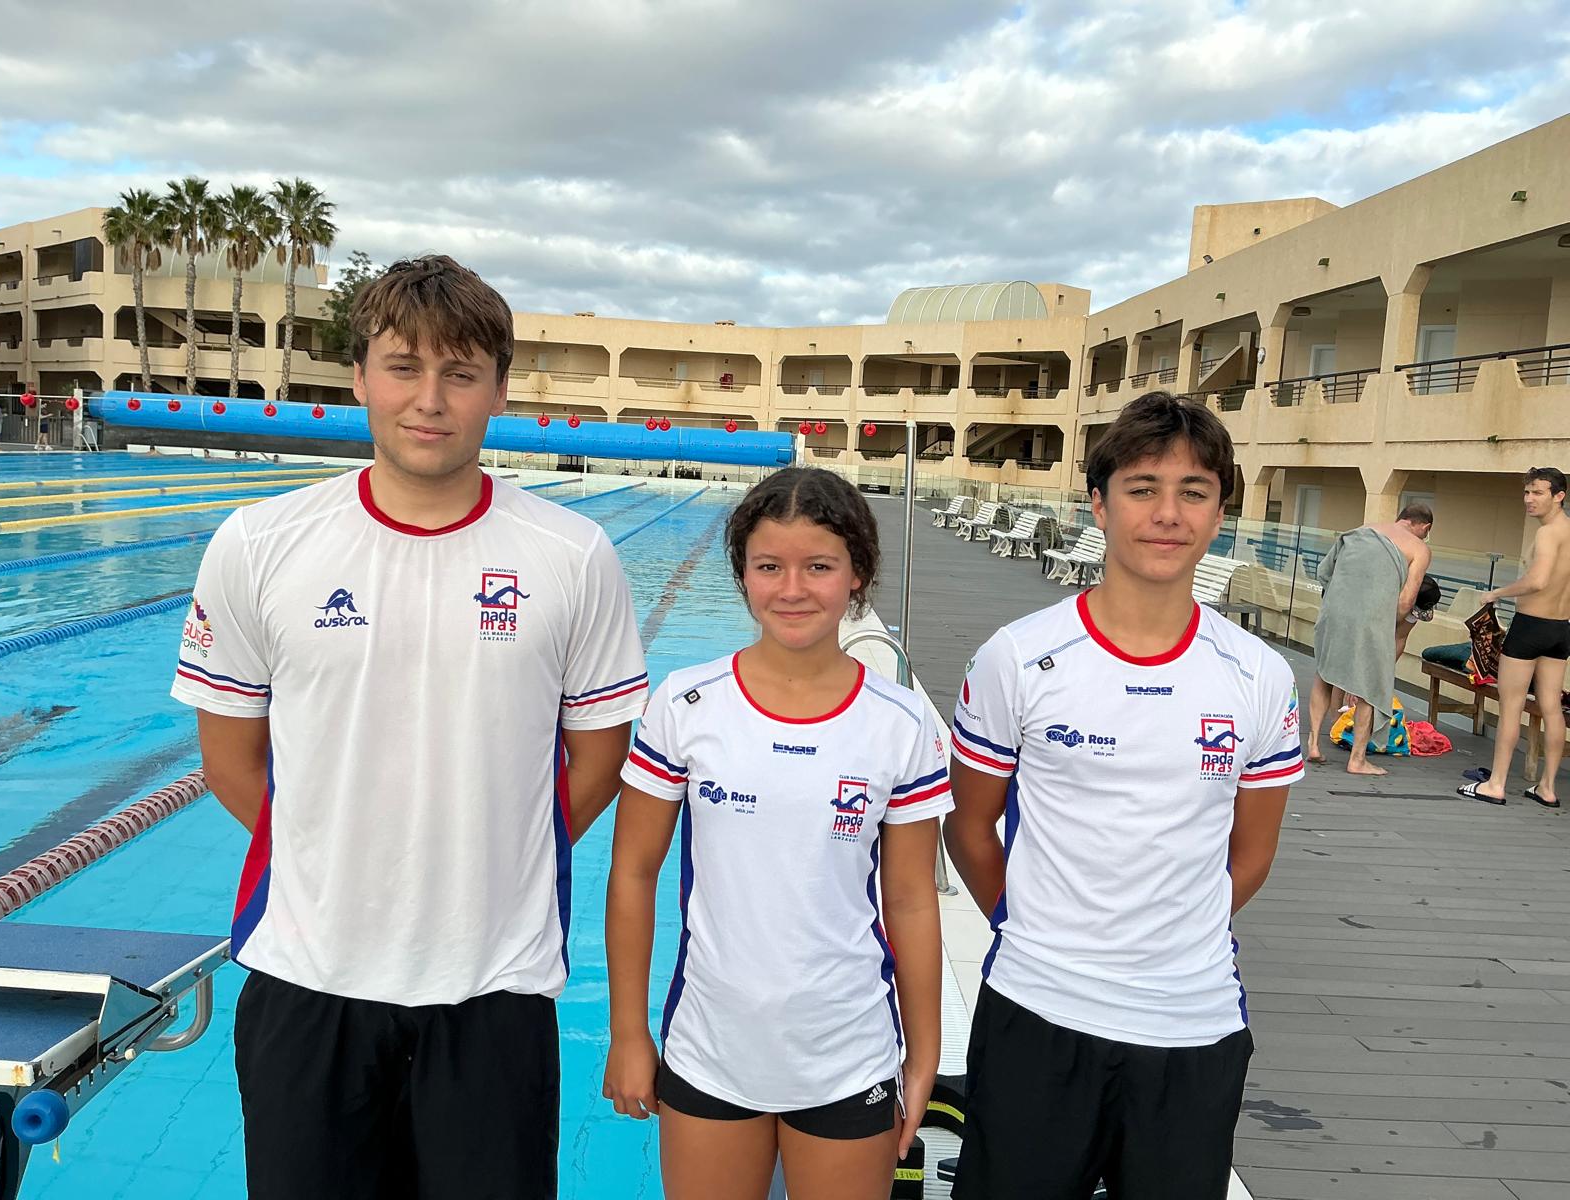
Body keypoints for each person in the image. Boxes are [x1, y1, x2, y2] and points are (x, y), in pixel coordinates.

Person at [170, 255, 648, 1199]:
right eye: (403, 366)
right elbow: (229, 754)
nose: (429, 400)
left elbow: (600, 755)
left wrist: (489, 859)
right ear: (359, 378)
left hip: (494, 989)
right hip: (308, 977)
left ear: (498, 390)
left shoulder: (573, 554)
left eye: (460, 373)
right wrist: (339, 855)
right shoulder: (261, 542)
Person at [944, 392, 1303, 1200]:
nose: (1167, 513)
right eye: (1143, 488)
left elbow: (1253, 851)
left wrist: (1168, 933)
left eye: (1194, 491)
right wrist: (1035, 925)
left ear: (1220, 513)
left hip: (1192, 1025)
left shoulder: (1257, 674)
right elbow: (968, 828)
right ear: (1099, 505)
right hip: (1038, 1012)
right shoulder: (1020, 657)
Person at [603, 467, 950, 1200]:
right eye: (769, 566)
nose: (793, 589)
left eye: (819, 566)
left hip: (847, 1053)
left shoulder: (901, 723)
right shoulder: (688, 704)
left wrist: (924, 1054)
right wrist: (629, 1033)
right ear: (742, 575)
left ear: (858, 574)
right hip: (711, 1049)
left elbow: (913, 899)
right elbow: (634, 871)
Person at [1461, 467, 1569, 808]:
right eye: (1526, 492)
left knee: (1511, 707)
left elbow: (1537, 581)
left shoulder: (1549, 534)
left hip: (1531, 626)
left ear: (1558, 495)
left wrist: (1496, 593)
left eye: (1537, 492)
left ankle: (1496, 784)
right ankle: (1547, 788)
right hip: (1561, 627)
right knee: (1551, 707)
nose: (1528, 499)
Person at [1306, 503, 1433, 775]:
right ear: (1424, 527)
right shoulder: (1419, 548)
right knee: (1370, 688)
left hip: (1335, 608)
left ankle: (1314, 742)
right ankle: (1357, 760)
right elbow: (1407, 599)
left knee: (1324, 673)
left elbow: (1325, 571)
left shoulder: (1362, 529)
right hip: (1373, 617)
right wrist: (1388, 625)